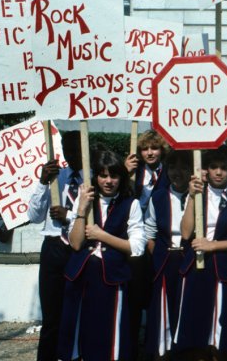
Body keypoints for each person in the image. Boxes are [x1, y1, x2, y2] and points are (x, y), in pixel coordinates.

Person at [57, 150, 147, 361]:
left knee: (109, 331)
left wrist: (101, 235)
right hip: (80, 274)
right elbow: (77, 243)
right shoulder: (85, 199)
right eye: (103, 175)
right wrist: (81, 209)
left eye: (114, 176)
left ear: (121, 178)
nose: (108, 181)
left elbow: (136, 247)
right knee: (77, 330)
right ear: (96, 176)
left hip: (112, 278)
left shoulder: (130, 204)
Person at [172, 146, 227, 359]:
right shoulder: (196, 194)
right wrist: (191, 196)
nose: (218, 172)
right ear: (206, 169)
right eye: (213, 167)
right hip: (196, 268)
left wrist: (213, 245)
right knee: (196, 328)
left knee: (223, 331)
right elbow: (186, 232)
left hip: (226, 270)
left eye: (224, 168)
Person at [28, 130, 82, 361]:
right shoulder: (53, 177)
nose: (72, 155)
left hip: (79, 247)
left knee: (78, 311)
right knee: (51, 315)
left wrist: (69, 214)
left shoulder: (93, 179)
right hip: (53, 247)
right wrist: (42, 182)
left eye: (77, 149)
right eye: (68, 150)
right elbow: (34, 216)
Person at [142, 150, 192, 359]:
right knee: (163, 316)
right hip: (164, 264)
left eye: (183, 167)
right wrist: (161, 257)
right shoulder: (159, 196)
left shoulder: (200, 195)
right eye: (172, 167)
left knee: (188, 313)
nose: (177, 172)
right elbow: (149, 234)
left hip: (190, 262)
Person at [125, 129, 170, 359]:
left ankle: (157, 345)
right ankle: (131, 347)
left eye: (154, 148)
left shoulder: (170, 173)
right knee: (133, 295)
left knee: (156, 294)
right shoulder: (134, 172)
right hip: (133, 238)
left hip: (157, 240)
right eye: (145, 148)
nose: (150, 153)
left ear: (162, 150)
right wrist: (126, 173)